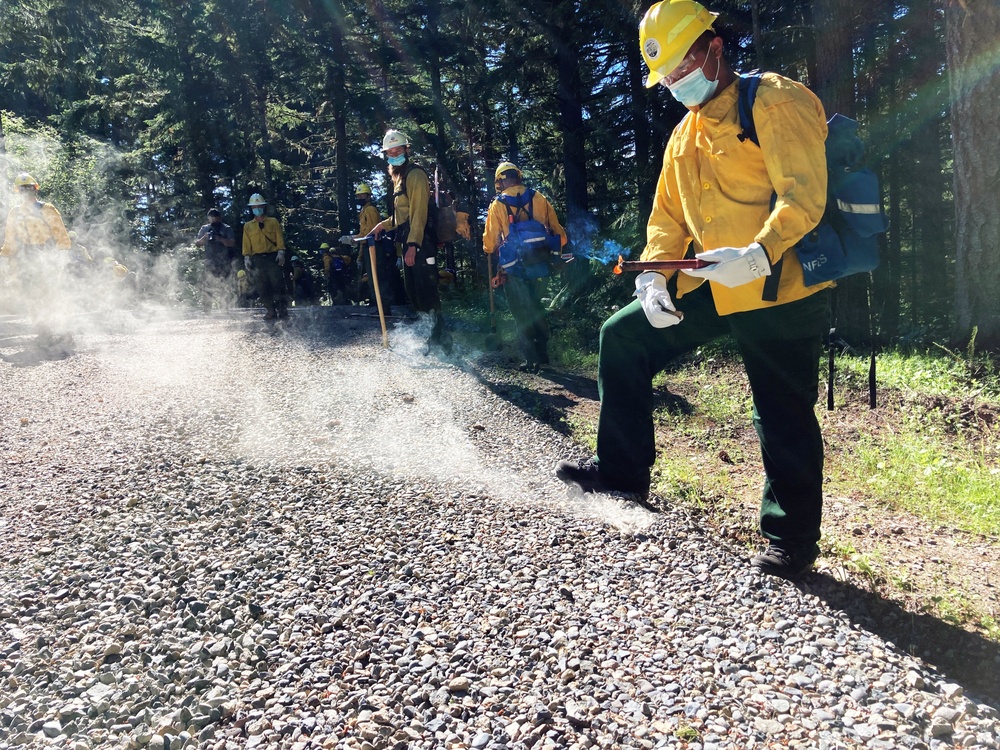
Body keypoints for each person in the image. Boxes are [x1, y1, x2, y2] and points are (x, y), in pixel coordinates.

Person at [555, 0, 831, 581]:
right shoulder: (683, 136)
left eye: (683, 70)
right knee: (621, 337)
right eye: (669, 79)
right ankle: (622, 476)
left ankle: (791, 540)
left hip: (778, 282)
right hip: (710, 281)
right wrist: (655, 274)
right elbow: (666, 218)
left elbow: (802, 197)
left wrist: (757, 253)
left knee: (779, 410)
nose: (677, 85)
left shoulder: (776, 100)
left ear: (713, 49)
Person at [483, 162, 568, 372]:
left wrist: (489, 248)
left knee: (521, 313)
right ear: (518, 177)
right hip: (541, 267)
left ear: (500, 181)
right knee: (537, 307)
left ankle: (531, 360)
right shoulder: (539, 198)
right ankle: (543, 353)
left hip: (514, 270)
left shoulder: (498, 204)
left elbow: (490, 244)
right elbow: (560, 235)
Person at [372, 129, 451, 353]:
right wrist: (383, 225)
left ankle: (440, 342)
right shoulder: (400, 178)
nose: (394, 154)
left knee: (426, 291)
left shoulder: (414, 174)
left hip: (420, 241)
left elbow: (418, 214)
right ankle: (435, 339)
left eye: (398, 150)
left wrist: (413, 245)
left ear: (407, 149)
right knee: (414, 291)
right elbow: (401, 215)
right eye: (390, 151)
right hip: (408, 239)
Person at [0, 172, 73, 345]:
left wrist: (63, 253)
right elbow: (9, 240)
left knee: (53, 293)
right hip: (27, 258)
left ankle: (63, 329)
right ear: (19, 191)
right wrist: (4, 256)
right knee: (33, 296)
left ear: (35, 189)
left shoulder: (46, 209)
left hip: (47, 255)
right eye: (23, 189)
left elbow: (60, 233)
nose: (26, 191)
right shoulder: (15, 212)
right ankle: (43, 330)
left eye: (28, 188)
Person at [241, 193, 288, 320]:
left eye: (259, 206)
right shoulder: (248, 226)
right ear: (251, 209)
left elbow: (279, 238)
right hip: (257, 259)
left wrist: (281, 252)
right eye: (254, 206)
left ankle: (283, 310)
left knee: (277, 283)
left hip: (272, 257)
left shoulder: (273, 222)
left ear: (263, 206)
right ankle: (270, 311)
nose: (257, 208)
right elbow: (246, 243)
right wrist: (247, 257)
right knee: (262, 286)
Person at [345, 183, 391, 310]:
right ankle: (378, 305)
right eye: (358, 195)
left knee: (378, 277)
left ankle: (384, 307)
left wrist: (356, 238)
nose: (359, 197)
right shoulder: (364, 210)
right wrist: (355, 239)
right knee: (371, 278)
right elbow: (364, 233)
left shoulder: (370, 210)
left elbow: (371, 231)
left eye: (362, 195)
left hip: (374, 245)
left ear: (368, 196)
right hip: (367, 247)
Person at [194, 208, 236, 312]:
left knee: (225, 285)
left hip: (224, 261)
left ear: (220, 218)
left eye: (216, 218)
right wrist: (205, 237)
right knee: (207, 285)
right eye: (211, 218)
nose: (214, 221)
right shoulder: (205, 229)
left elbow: (232, 243)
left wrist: (220, 239)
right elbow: (198, 244)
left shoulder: (227, 228)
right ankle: (207, 309)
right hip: (209, 261)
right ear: (208, 219)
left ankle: (225, 308)